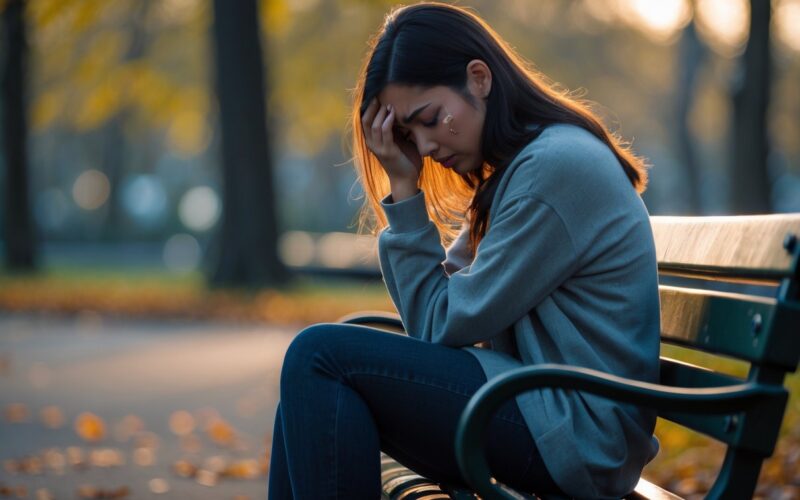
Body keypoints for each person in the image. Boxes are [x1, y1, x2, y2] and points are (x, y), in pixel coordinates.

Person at [268, 2, 661, 498]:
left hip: (576, 434)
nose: (425, 147)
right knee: (309, 380)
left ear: (479, 78)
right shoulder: (521, 170)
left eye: (430, 119)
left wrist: (406, 194)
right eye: (408, 135)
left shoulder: (552, 169)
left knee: (317, 358)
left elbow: (438, 323)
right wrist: (406, 186)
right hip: (543, 407)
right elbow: (439, 311)